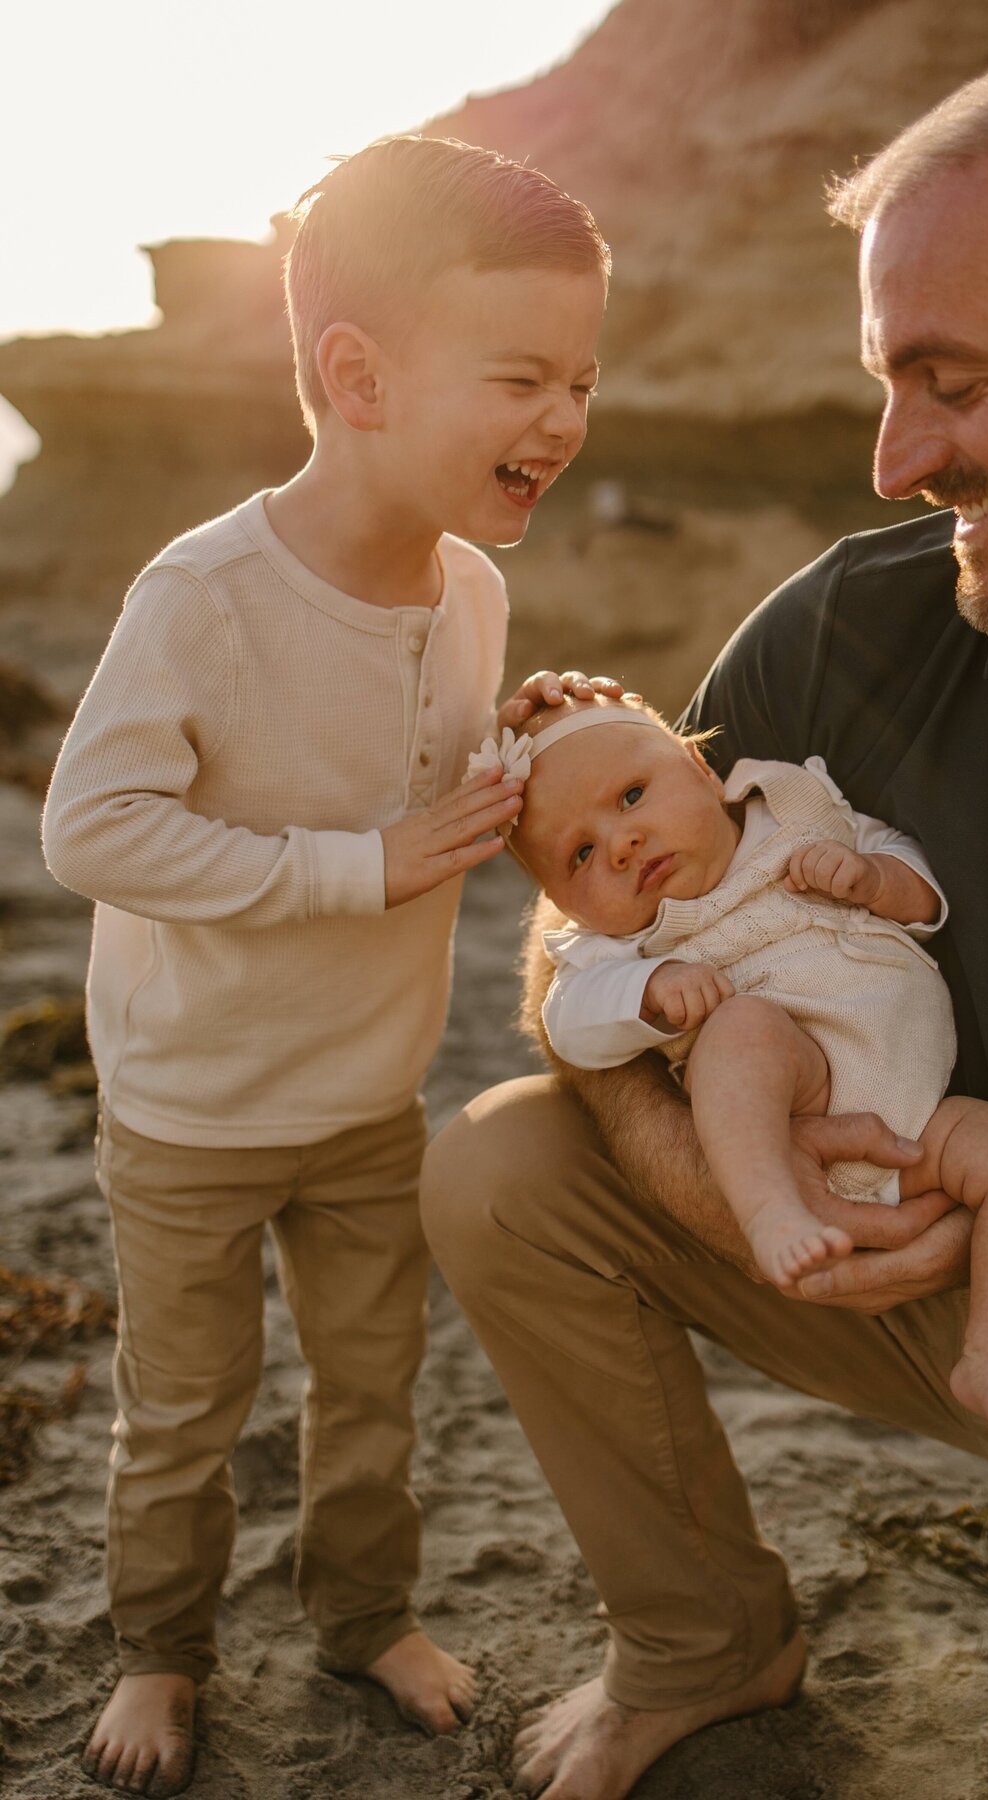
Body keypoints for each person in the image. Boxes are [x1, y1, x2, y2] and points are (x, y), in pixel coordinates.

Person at [420, 35, 988, 1800]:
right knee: (500, 1166)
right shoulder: (855, 624)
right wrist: (741, 1188)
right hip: (840, 1219)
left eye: (945, 378)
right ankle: (705, 1642)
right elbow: (593, 926)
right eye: (880, 379)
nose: (890, 457)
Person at [42, 134, 609, 1797]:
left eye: (580, 376)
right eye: (520, 377)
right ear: (353, 376)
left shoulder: (479, 592)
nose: (566, 419)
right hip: (192, 1108)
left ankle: (361, 1613)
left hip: (369, 1094)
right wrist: (347, 869)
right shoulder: (202, 596)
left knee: (370, 1392)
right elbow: (92, 829)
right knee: (184, 1413)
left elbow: (431, 796)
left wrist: (535, 754)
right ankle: (161, 1646)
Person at [499, 691, 988, 1467]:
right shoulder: (616, 951)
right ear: (561, 903)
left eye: (632, 797)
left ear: (701, 768)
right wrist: (650, 994)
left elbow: (921, 885)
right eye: (582, 856)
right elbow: (569, 1022)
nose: (623, 843)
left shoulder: (798, 811)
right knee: (743, 1027)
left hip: (920, 1127)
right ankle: (771, 1214)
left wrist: (874, 879)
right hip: (798, 1100)